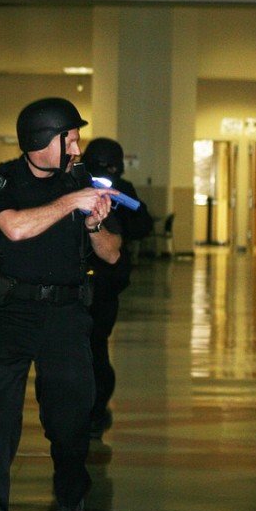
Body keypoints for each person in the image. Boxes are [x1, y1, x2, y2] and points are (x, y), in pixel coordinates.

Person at [0, 97, 122, 511]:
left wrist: (95, 226)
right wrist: (70, 201)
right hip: (9, 314)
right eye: (69, 137)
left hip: (65, 316)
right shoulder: (0, 181)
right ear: (42, 140)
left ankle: (70, 503)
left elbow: (112, 254)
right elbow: (14, 228)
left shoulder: (81, 181)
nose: (77, 146)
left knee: (69, 420)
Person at [79, 137, 153, 440]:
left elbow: (142, 225)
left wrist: (117, 207)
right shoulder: (76, 187)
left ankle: (95, 411)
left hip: (104, 283)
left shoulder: (123, 192)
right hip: (75, 281)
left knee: (96, 347)